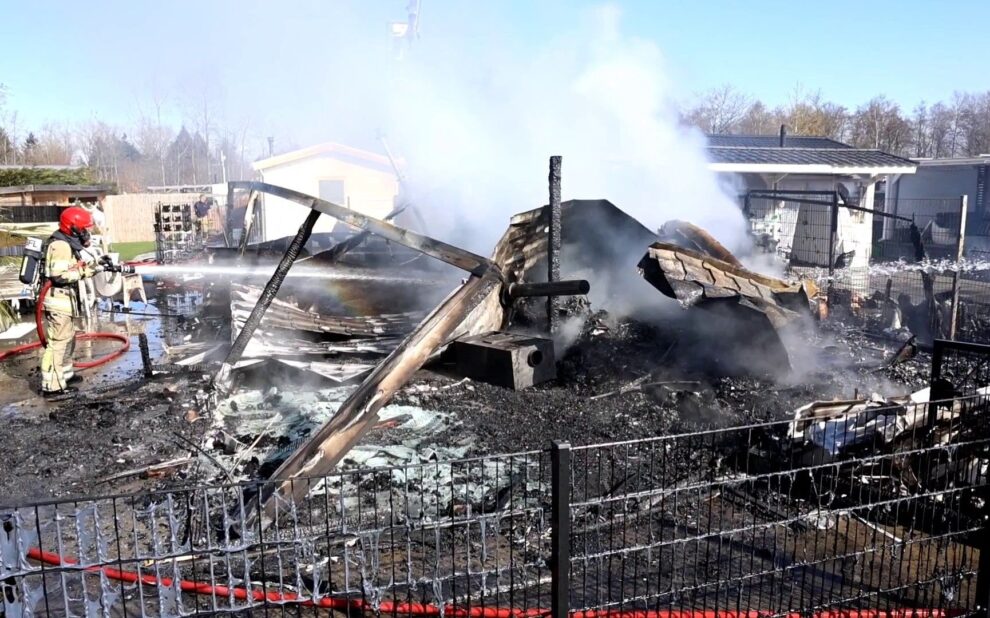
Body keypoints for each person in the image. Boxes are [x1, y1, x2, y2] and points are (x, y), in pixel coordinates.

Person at [40, 206, 101, 397]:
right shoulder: (61, 245)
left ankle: (65, 374)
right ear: (73, 228)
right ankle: (52, 387)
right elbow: (59, 276)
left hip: (65, 300)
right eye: (83, 229)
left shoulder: (66, 242)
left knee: (68, 338)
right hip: (58, 301)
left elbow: (71, 268)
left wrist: (94, 265)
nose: (86, 233)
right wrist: (87, 271)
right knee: (58, 343)